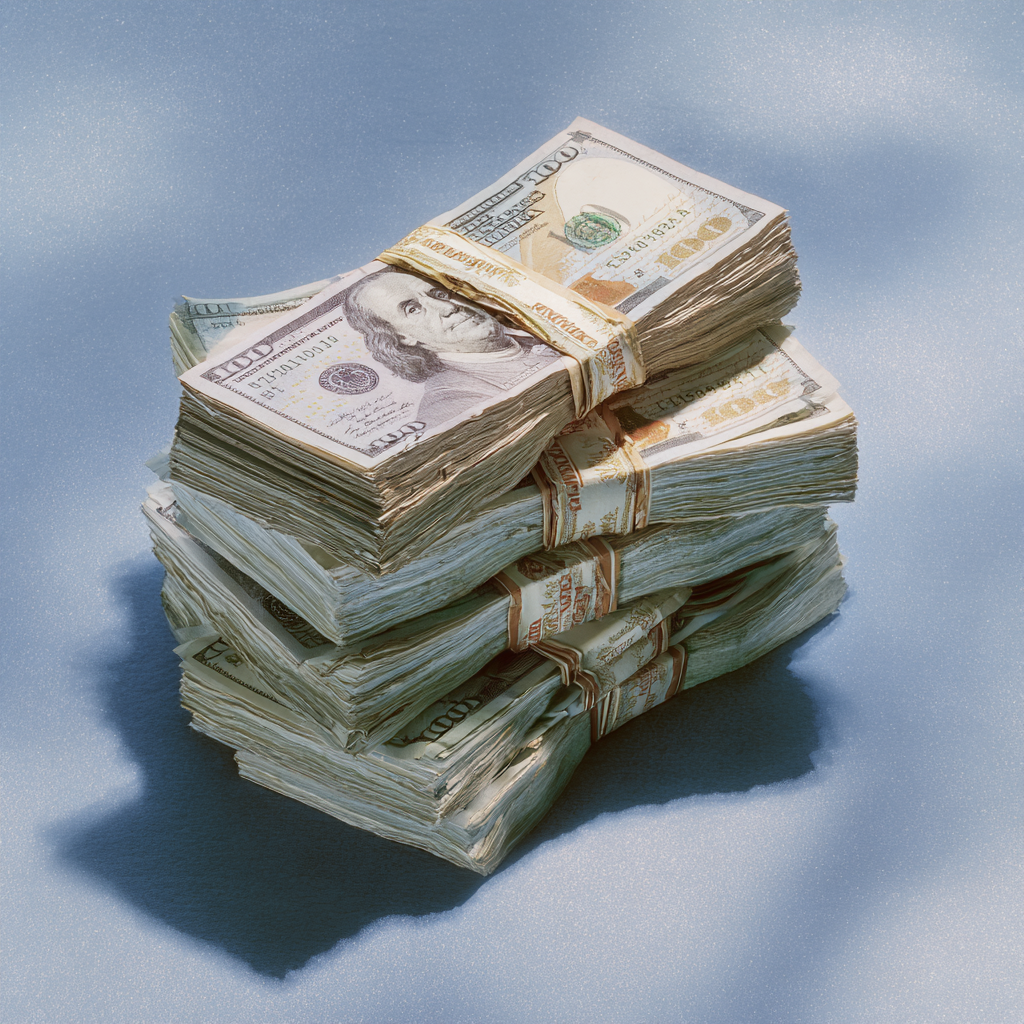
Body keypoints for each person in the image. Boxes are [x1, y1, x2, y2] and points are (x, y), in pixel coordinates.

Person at [340, 266, 562, 424]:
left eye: (438, 293)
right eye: (413, 309)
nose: (448, 307)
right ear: (402, 337)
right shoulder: (450, 401)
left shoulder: (531, 330)